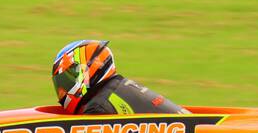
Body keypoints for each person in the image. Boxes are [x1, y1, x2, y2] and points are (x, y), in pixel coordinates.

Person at [50, 40, 187, 115]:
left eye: (65, 81)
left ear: (86, 71)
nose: (61, 91)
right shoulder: (116, 87)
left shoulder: (98, 107)